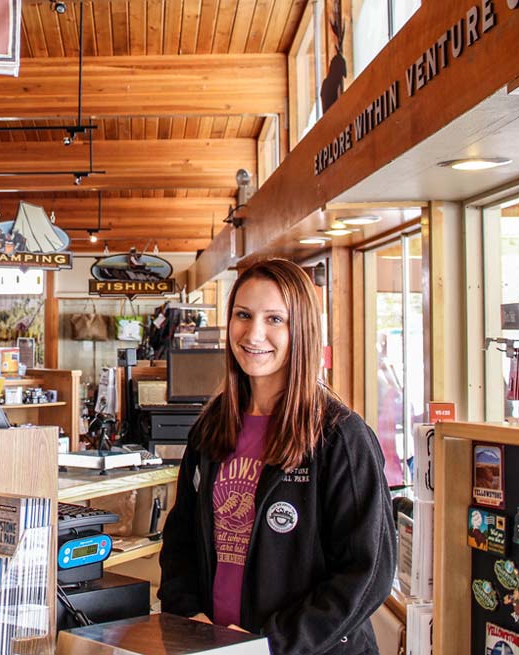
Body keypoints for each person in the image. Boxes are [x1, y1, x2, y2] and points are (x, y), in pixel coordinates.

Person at [158, 258, 396, 655]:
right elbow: (181, 538)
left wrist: (271, 645)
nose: (254, 333)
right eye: (243, 315)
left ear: (300, 329)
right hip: (216, 647)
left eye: (275, 319)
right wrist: (187, 618)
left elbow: (366, 573)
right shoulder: (211, 429)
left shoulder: (339, 437)